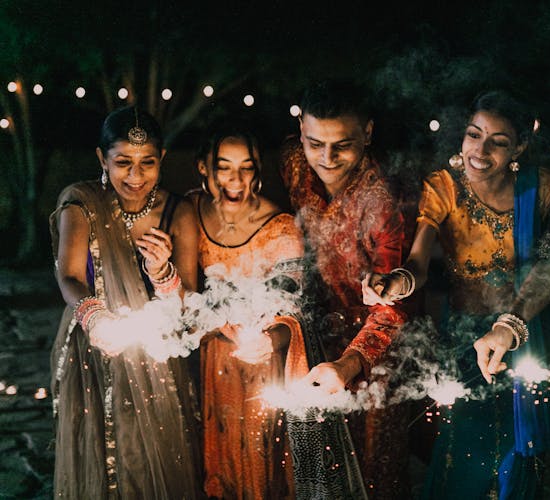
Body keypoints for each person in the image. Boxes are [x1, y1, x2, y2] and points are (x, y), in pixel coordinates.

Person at [363, 90, 550, 498]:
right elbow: (418, 264)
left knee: (518, 450)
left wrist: (512, 322)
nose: (481, 149)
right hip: (465, 339)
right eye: (474, 134)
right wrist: (395, 283)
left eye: (499, 141)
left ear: (519, 148)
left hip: (525, 330)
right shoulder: (443, 187)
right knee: (466, 453)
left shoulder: (538, 187)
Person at [49, 106, 201, 498]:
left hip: (158, 358)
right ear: (102, 158)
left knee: (154, 456)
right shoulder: (81, 204)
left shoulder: (178, 212)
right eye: (122, 163)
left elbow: (188, 302)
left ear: (162, 159)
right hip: (93, 349)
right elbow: (69, 276)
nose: (135, 176)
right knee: (101, 453)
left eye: (147, 163)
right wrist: (96, 318)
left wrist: (162, 273)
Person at [280, 79, 409, 499]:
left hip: (371, 356)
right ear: (301, 133)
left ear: (368, 133)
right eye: (315, 143)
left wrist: (351, 364)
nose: (327, 158)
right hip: (310, 342)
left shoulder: (383, 202)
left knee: (372, 475)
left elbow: (392, 308)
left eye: (343, 144)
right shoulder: (293, 163)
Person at [191, 123, 310, 499]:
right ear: (204, 168)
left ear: (257, 170)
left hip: (259, 362)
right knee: (213, 463)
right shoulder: (190, 211)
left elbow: (291, 302)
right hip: (211, 359)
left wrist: (266, 341)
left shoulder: (280, 227)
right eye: (224, 166)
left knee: (258, 463)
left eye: (246, 166)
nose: (235, 178)